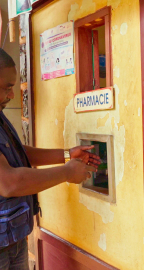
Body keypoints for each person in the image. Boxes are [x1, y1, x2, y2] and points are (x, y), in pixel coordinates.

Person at [0, 48, 101, 270]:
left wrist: (67, 154)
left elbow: (17, 153)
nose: (11, 95)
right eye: (7, 88)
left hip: (13, 238)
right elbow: (8, 182)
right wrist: (67, 172)